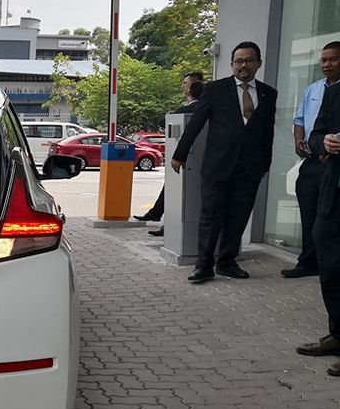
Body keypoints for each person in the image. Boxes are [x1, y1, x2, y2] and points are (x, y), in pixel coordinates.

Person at [171, 41, 277, 283]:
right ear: (231, 64)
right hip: (217, 165)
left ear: (258, 63)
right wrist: (180, 153)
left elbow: (267, 132)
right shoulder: (216, 90)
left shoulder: (268, 94)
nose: (243, 65)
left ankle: (227, 262)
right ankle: (203, 266)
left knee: (238, 216)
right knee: (210, 216)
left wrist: (265, 164)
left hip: (250, 167)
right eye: (238, 61)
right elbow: (197, 122)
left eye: (249, 60)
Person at [281, 41, 340, 278]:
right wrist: (299, 142)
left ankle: (329, 267)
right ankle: (308, 262)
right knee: (308, 213)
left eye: (333, 59)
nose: (327, 64)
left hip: (334, 164)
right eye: (324, 60)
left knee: (327, 219)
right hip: (312, 159)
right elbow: (300, 120)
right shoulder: (313, 89)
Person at [295, 79, 340, 365]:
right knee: (331, 264)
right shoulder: (333, 92)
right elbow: (315, 134)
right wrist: (322, 141)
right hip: (334, 192)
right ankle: (337, 334)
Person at [134, 74, 206, 236]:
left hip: (188, 161)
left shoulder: (191, 109)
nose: (183, 86)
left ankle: (166, 223)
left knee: (179, 193)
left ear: (192, 87)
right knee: (172, 189)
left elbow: (163, 123)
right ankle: (158, 216)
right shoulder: (204, 107)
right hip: (198, 161)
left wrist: (170, 115)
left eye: (185, 83)